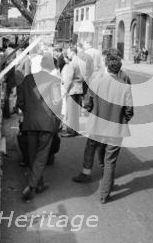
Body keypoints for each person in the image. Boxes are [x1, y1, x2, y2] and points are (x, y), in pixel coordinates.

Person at [72, 49, 133, 204]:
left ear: (106, 65)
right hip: (115, 128)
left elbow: (88, 104)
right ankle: (104, 194)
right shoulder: (125, 85)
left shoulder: (96, 82)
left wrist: (93, 113)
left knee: (94, 148)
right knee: (110, 160)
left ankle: (90, 173)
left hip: (97, 125)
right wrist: (120, 119)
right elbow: (129, 111)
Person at [18, 54, 62, 200]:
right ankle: (31, 186)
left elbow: (20, 102)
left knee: (32, 154)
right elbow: (57, 104)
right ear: (52, 67)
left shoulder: (28, 79)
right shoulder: (54, 81)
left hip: (30, 123)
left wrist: (29, 112)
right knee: (41, 156)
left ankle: (38, 183)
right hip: (47, 124)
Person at [61, 46, 84, 137]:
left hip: (72, 88)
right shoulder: (81, 62)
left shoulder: (72, 63)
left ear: (73, 52)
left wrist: (64, 90)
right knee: (75, 111)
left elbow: (69, 79)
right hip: (79, 88)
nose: (68, 54)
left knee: (70, 111)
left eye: (68, 52)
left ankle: (70, 131)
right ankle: (75, 130)